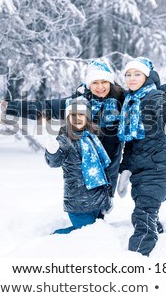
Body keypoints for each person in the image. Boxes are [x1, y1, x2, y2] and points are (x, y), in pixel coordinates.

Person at [0, 60, 166, 201]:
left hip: (111, 165)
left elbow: (154, 93)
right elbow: (45, 106)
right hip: (87, 166)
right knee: (89, 210)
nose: (99, 87)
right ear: (89, 85)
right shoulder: (79, 103)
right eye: (95, 83)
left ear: (110, 83)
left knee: (102, 208)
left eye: (104, 82)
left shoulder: (123, 100)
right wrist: (11, 107)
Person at [116, 57, 166, 256]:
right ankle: (158, 230)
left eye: (137, 74)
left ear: (147, 76)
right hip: (140, 168)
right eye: (128, 75)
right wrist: (125, 169)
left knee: (143, 214)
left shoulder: (154, 96)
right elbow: (130, 144)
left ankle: (137, 257)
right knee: (144, 211)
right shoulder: (130, 101)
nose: (132, 79)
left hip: (158, 165)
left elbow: (164, 108)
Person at [44, 97, 112, 234]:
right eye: (73, 115)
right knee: (84, 234)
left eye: (81, 114)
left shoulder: (92, 136)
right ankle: (52, 239)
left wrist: (107, 199)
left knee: (97, 234)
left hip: (97, 201)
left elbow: (102, 169)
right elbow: (55, 161)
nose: (77, 118)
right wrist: (52, 151)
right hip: (78, 203)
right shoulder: (65, 139)